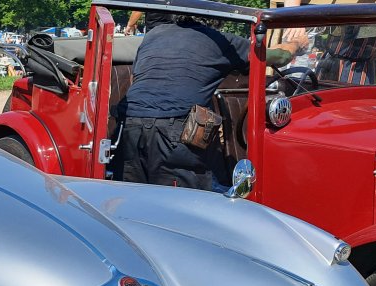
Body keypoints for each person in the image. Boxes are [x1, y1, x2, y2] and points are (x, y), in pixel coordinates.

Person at [114, 12, 306, 190]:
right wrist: (296, 44)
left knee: (134, 196)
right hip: (174, 131)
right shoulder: (220, 42)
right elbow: (277, 56)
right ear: (213, 17)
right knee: (180, 204)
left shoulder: (154, 35)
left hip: (130, 125)